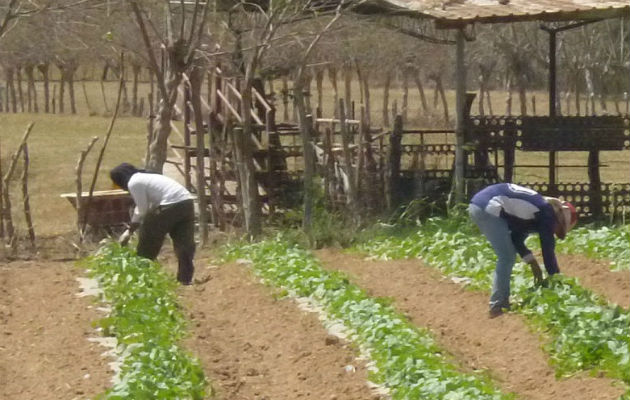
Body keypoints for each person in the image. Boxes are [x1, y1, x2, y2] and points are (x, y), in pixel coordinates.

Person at [469, 183, 577, 318]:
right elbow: (547, 248)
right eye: (559, 229)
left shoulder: (535, 214)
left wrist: (532, 262)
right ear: (559, 219)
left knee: (507, 256)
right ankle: (498, 305)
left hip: (480, 205)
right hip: (488, 207)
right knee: (506, 257)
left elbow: (516, 238)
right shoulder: (546, 212)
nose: (555, 232)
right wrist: (555, 279)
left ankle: (499, 302)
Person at [110, 163, 196, 285]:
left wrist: (129, 231)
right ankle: (185, 279)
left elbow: (142, 209)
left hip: (171, 204)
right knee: (184, 243)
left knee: (148, 233)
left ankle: (142, 274)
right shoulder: (146, 177)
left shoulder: (134, 182)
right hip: (186, 203)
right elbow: (148, 206)